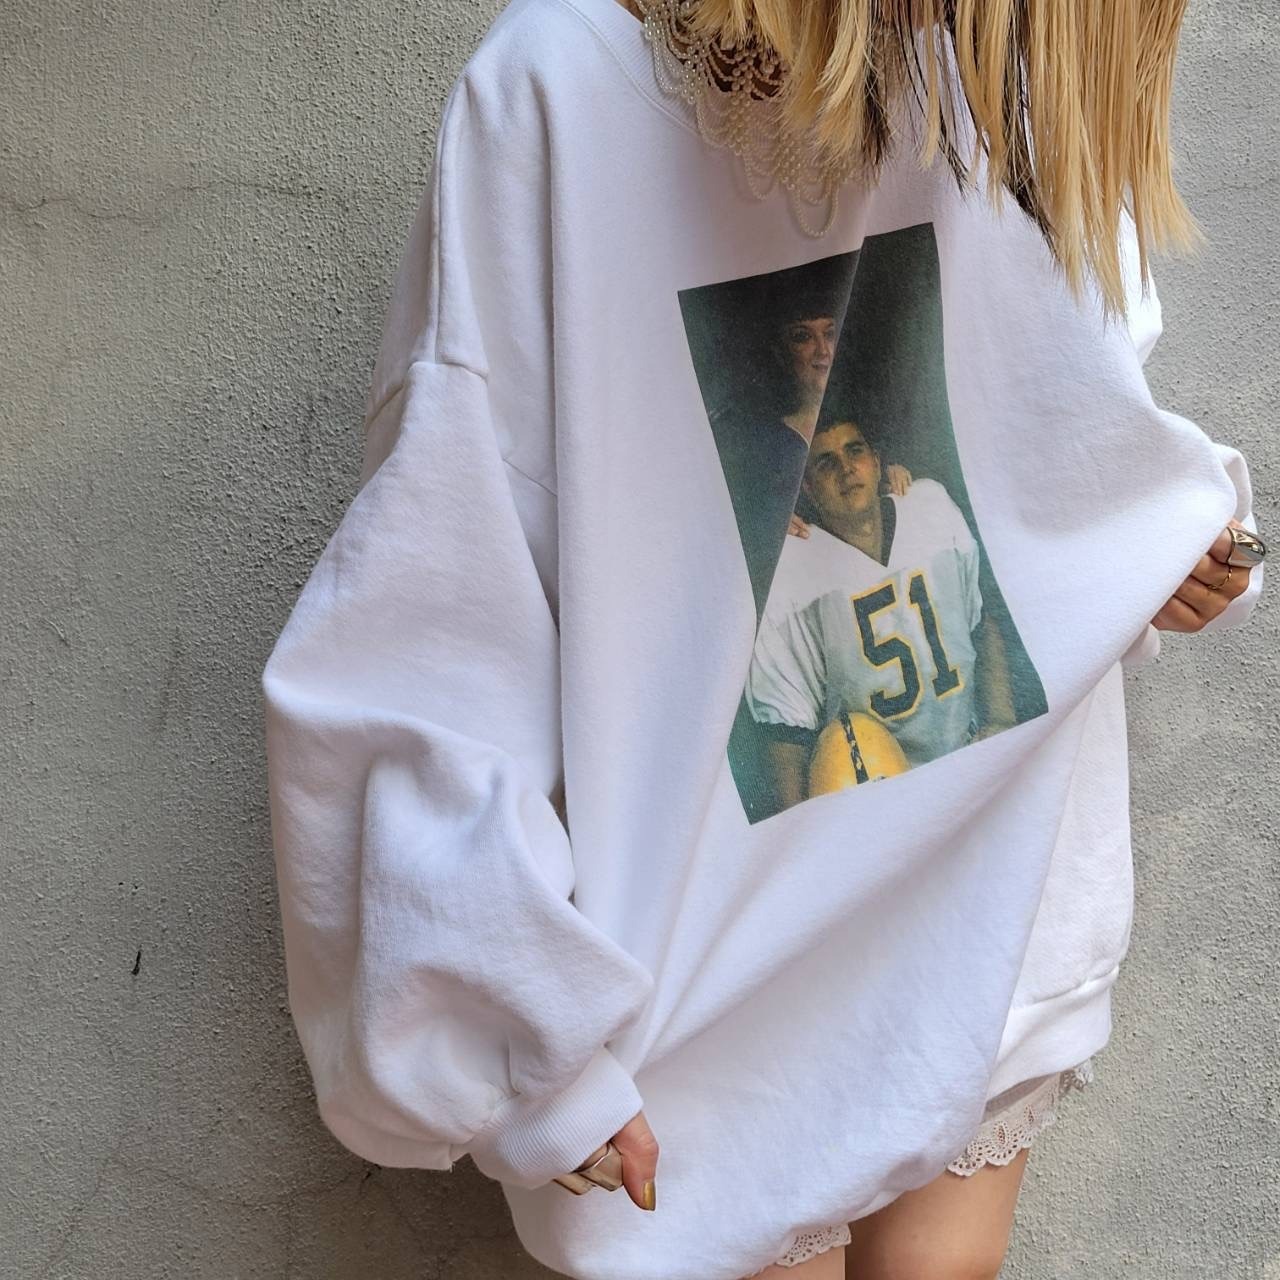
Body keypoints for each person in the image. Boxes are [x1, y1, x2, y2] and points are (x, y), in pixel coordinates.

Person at [259, 0, 1267, 1277]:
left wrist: (1159, 544)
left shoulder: (998, 59)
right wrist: (507, 1021)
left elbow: (1064, 408)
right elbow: (445, 590)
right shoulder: (559, 83)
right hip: (708, 992)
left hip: (993, 887)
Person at [746, 415, 1016, 810]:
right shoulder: (792, 573)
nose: (846, 469)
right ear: (807, 489)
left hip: (971, 754)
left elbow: (979, 624)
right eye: (825, 463)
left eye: (854, 451)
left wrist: (1003, 722)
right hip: (880, 798)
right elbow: (786, 732)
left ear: (876, 462)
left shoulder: (930, 506)